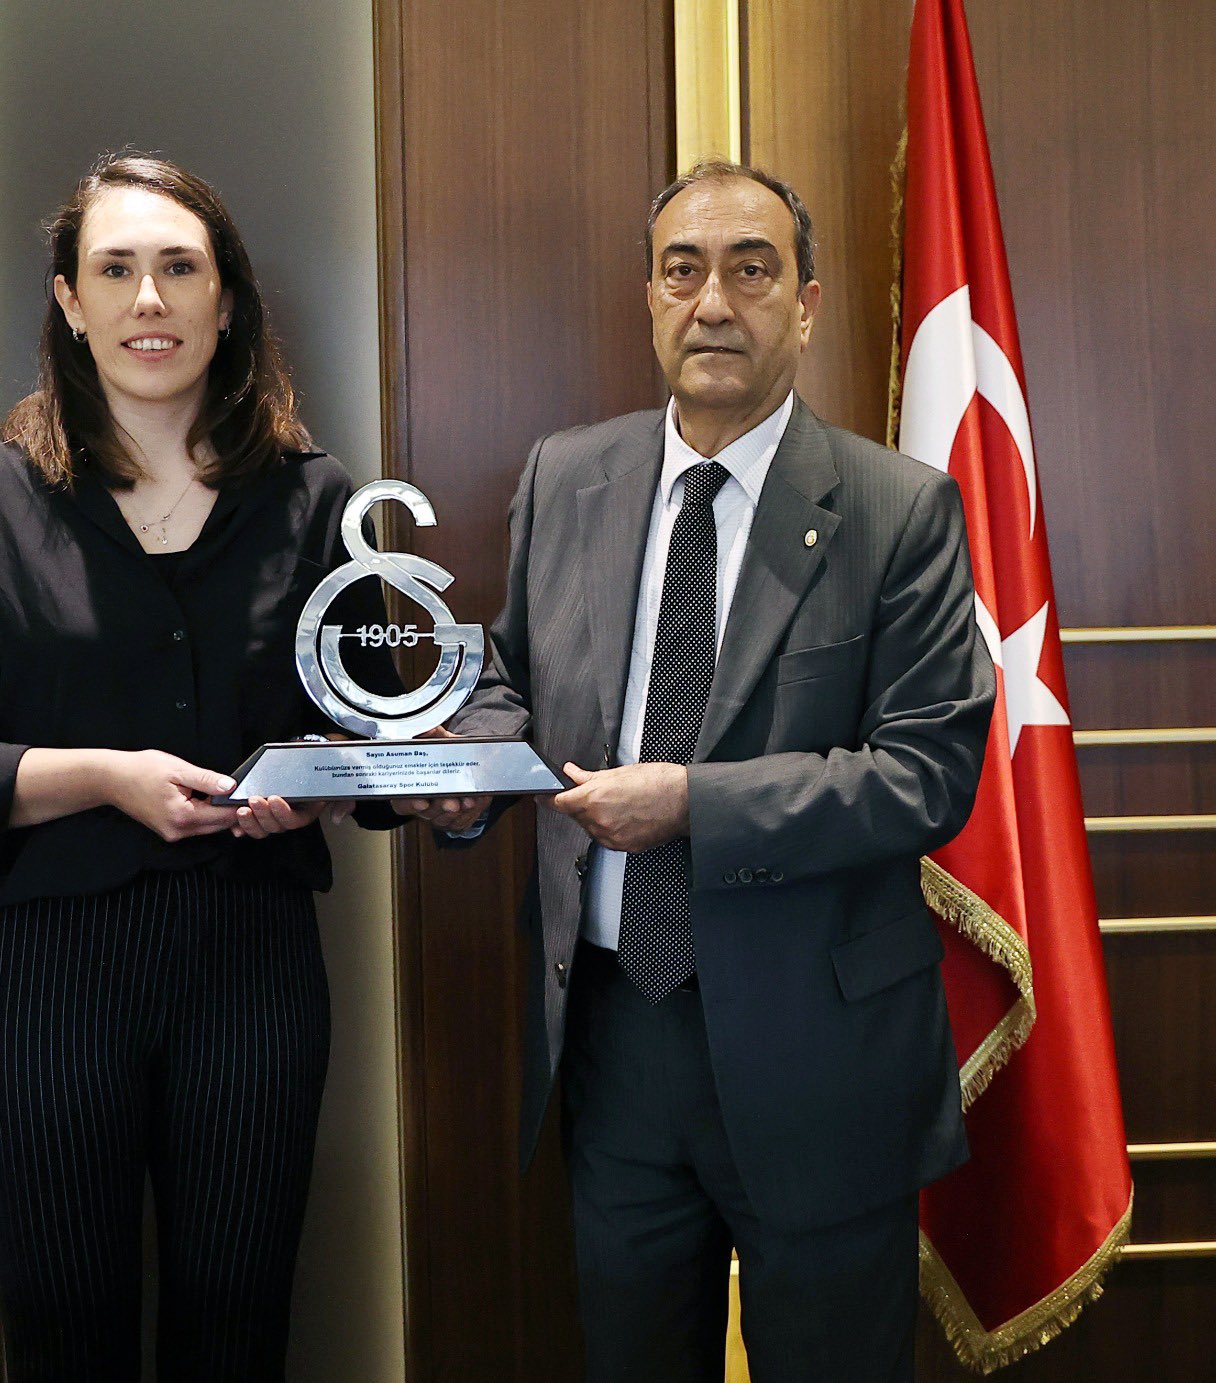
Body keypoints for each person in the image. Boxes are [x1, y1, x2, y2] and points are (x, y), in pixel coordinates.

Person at [404, 161, 996, 1381]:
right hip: (616, 1042)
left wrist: (692, 806)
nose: (712, 302)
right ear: (649, 298)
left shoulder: (897, 509)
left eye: (750, 270)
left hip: (820, 1055)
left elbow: (924, 775)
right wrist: (467, 769)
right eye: (682, 271)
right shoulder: (566, 474)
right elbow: (510, 674)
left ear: (806, 304)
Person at [0, 151, 400, 1382]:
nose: (149, 299)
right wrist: (100, 776)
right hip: (42, 985)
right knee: (67, 1342)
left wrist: (314, 783)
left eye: (179, 268)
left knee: (237, 1333)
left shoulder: (317, 502)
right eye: (115, 269)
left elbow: (377, 739)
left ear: (226, 299)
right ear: (69, 300)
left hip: (251, 974)